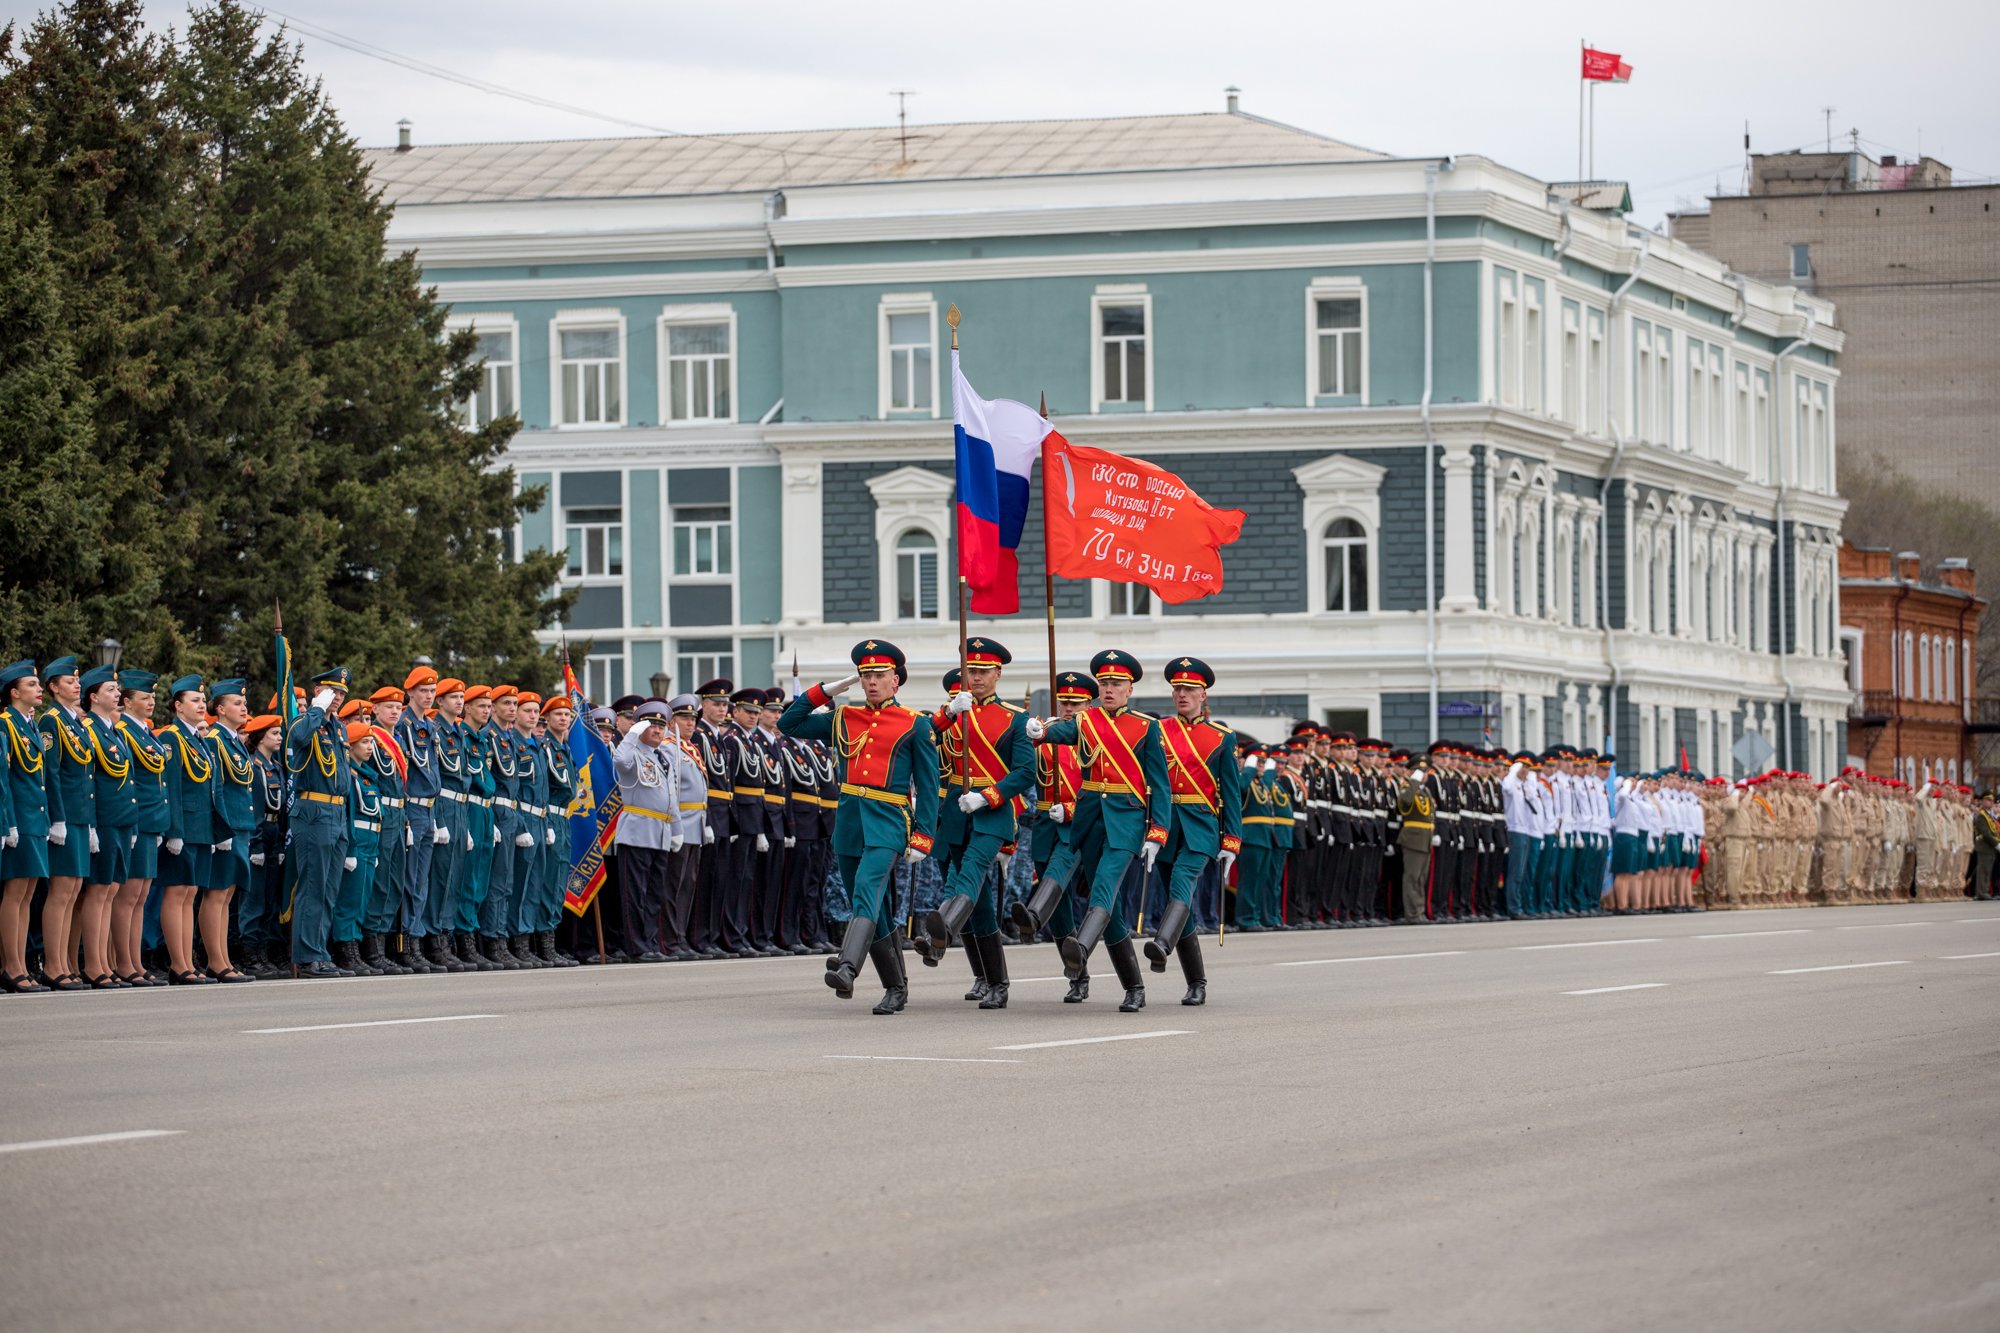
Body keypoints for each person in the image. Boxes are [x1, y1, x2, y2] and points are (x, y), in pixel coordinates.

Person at [779, 641, 939, 1014]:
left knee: (868, 888)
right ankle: (896, 987)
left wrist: (923, 834)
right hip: (850, 820)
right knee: (871, 905)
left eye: (879, 676)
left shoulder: (916, 724)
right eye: (866, 675)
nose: (871, 682)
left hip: (889, 820)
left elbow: (929, 786)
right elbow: (790, 724)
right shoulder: (843, 717)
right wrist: (829, 690)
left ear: (895, 680)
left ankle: (848, 967)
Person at [1024, 649, 1168, 1014]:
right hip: (1089, 820)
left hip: (1127, 821)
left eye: (1116, 684)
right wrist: (1041, 732)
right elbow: (1064, 730)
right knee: (1114, 913)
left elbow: (1160, 785)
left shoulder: (1146, 727)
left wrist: (1158, 831)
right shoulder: (1086, 721)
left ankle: (1082, 947)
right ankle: (1134, 987)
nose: (1108, 689)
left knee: (1103, 886)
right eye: (1104, 683)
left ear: (1129, 688)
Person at [914, 637, 1034, 1010]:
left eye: (983, 671)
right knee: (978, 905)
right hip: (952, 811)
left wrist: (989, 796)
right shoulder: (951, 713)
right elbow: (919, 744)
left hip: (993, 813)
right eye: (971, 671)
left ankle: (941, 933)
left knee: (970, 872)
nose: (976, 677)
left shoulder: (1017, 719)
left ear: (998, 674)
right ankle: (992, 980)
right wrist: (949, 714)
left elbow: (1026, 772)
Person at [1143, 657, 1239, 1006]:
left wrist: (1231, 840)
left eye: (1189, 689)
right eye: (1177, 689)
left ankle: (1162, 944)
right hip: (1166, 825)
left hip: (1200, 825)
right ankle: (1196, 981)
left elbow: (1230, 793)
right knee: (1175, 898)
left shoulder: (1222, 738)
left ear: (1203, 694)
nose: (1182, 694)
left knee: (1182, 884)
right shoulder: (1157, 729)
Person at [1016, 671, 1097, 999]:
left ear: (1088, 704)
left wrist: (1073, 811)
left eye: (1076, 703)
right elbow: (1023, 772)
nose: (1068, 708)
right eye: (1064, 702)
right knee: (1061, 909)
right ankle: (1078, 974)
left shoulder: (1097, 736)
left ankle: (1033, 916)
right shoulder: (1045, 733)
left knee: (1059, 872)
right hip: (1045, 824)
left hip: (1080, 825)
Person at [287, 668, 356, 978]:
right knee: (313, 886)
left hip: (337, 813)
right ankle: (307, 955)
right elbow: (299, 740)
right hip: (314, 810)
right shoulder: (305, 723)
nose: (338, 698)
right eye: (332, 692)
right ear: (318, 692)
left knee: (329, 889)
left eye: (341, 693)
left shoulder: (338, 729)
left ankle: (320, 951)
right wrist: (315, 710)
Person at [37, 655, 96, 988]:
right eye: (69, 680)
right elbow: (53, 773)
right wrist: (57, 818)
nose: (76, 684)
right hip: (64, 817)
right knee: (61, 891)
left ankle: (69, 964)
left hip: (79, 816)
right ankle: (53, 965)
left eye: (77, 680)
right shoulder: (52, 721)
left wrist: (86, 823)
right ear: (53, 687)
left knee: (74, 890)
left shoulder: (74, 722)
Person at [74, 664, 133, 988]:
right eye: (111, 690)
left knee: (110, 891)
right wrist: (93, 824)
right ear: (94, 696)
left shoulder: (110, 729)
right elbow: (91, 781)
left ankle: (106, 962)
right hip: (104, 818)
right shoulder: (90, 728)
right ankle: (93, 964)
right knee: (98, 892)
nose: (117, 694)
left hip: (121, 818)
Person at [197, 678, 257, 983]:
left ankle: (222, 958)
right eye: (236, 703)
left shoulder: (233, 740)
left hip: (241, 826)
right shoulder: (216, 740)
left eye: (243, 703)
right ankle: (216, 960)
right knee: (217, 893)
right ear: (219, 709)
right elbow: (215, 790)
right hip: (227, 828)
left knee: (228, 894)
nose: (243, 707)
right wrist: (220, 830)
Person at [613, 699, 682, 963]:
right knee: (635, 895)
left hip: (661, 833)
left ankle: (651, 943)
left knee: (655, 895)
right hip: (637, 832)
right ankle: (637, 946)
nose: (657, 730)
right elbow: (619, 761)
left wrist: (677, 829)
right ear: (641, 726)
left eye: (662, 725)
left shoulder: (663, 757)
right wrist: (631, 734)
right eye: (651, 724)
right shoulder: (633, 754)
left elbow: (671, 796)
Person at [114, 672, 170, 986]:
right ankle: (124, 963)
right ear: (126, 701)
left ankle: (134, 962)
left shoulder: (144, 733)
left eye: (151, 698)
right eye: (144, 698)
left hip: (150, 820)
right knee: (129, 894)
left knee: (141, 895)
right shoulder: (124, 731)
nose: (150, 702)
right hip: (136, 818)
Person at [0, 660, 52, 992]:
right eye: (32, 684)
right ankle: (11, 966)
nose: (39, 689)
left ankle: (19, 964)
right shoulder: (6, 724)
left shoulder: (29, 725)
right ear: (15, 692)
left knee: (28, 894)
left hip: (35, 817)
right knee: (15, 892)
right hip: (19, 817)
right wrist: (8, 823)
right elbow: (4, 778)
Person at [396, 666, 446, 971]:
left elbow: (434, 772)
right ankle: (406, 943)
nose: (428, 696)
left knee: (422, 880)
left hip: (428, 807)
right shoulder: (403, 725)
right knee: (410, 879)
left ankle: (415, 939)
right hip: (412, 807)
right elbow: (403, 773)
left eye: (431, 691)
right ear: (411, 692)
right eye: (423, 691)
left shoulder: (429, 726)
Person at [360, 686, 412, 974]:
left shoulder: (397, 740)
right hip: (381, 811)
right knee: (379, 881)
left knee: (394, 881)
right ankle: (371, 945)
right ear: (375, 709)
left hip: (399, 811)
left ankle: (384, 942)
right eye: (388, 706)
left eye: (398, 706)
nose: (394, 711)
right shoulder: (373, 739)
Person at [331, 721, 384, 975]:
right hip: (357, 840)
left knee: (363, 897)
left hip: (370, 841)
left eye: (371, 742)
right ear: (349, 746)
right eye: (364, 742)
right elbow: (348, 815)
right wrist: (350, 849)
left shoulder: (367, 776)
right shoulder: (350, 776)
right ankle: (345, 948)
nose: (370, 747)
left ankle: (355, 945)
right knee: (350, 898)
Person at [537, 695, 580, 966]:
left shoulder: (565, 749)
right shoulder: (545, 748)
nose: (563, 719)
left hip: (564, 819)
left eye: (567, 715)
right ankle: (543, 944)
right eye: (557, 715)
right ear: (548, 719)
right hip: (550, 817)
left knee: (557, 884)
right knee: (547, 881)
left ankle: (550, 941)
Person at [1393, 756, 1436, 922]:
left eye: (1425, 772)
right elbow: (1404, 801)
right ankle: (1412, 913)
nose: (1423, 775)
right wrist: (1413, 781)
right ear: (1410, 772)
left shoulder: (1425, 791)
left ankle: (1419, 911)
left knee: (1421, 878)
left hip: (1425, 839)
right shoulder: (1407, 788)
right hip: (1413, 839)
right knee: (1412, 877)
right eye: (1419, 771)